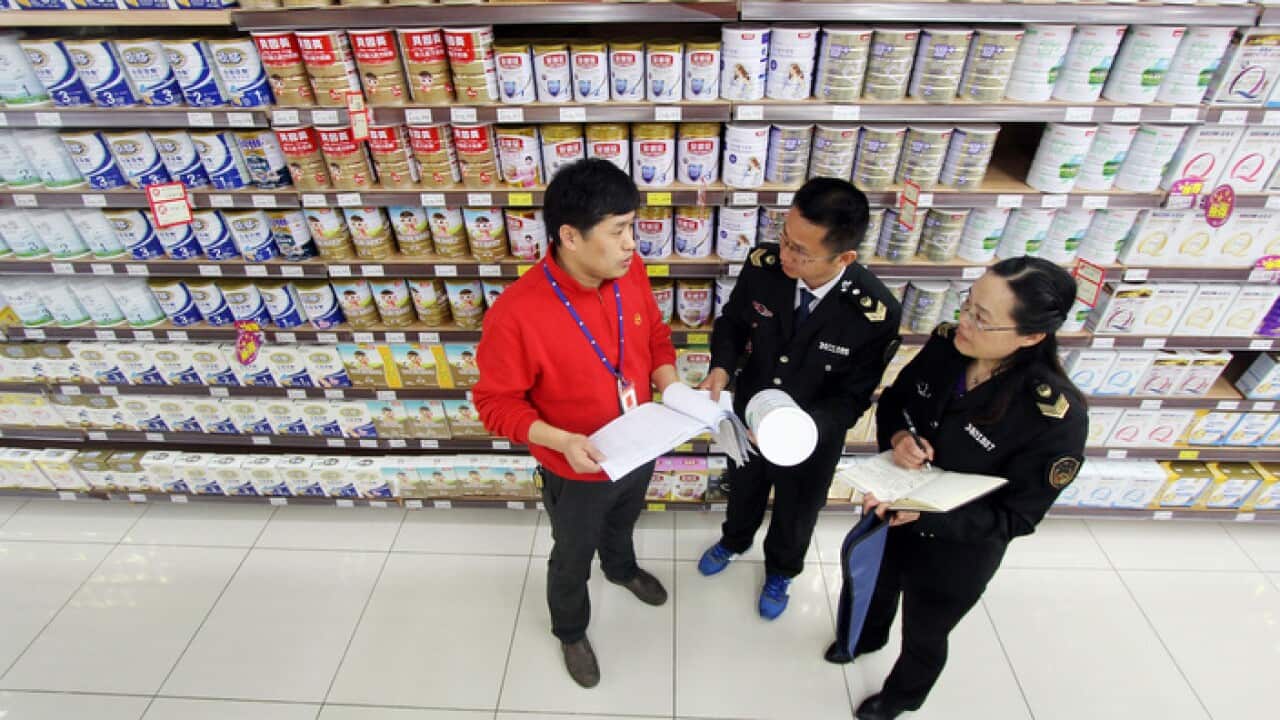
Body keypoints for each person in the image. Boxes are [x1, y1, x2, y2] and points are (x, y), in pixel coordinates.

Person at [833, 256, 1089, 720]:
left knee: (926, 632)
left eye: (982, 319)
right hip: (892, 511)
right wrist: (899, 438)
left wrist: (931, 513)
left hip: (958, 548)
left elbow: (1018, 516)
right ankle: (866, 638)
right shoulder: (948, 346)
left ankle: (901, 697)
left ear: (1031, 336)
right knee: (877, 585)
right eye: (967, 305)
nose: (964, 322)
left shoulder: (1053, 415)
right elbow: (897, 402)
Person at [474, 158, 681, 688]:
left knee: (625, 519)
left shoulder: (626, 270)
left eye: (632, 227)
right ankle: (570, 628)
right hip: (575, 468)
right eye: (618, 232)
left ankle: (622, 568)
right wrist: (561, 440)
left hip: (637, 445)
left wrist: (672, 385)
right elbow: (495, 404)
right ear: (569, 235)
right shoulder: (516, 315)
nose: (633, 244)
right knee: (571, 554)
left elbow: (654, 333)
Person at [697, 177, 902, 618]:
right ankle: (734, 540)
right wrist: (720, 367)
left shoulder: (873, 312)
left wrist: (804, 430)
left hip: (811, 436)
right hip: (750, 417)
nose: (786, 255)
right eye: (785, 239)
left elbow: (853, 398)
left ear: (844, 257)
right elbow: (733, 322)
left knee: (797, 510)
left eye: (802, 252)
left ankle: (782, 571)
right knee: (743, 489)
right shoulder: (764, 267)